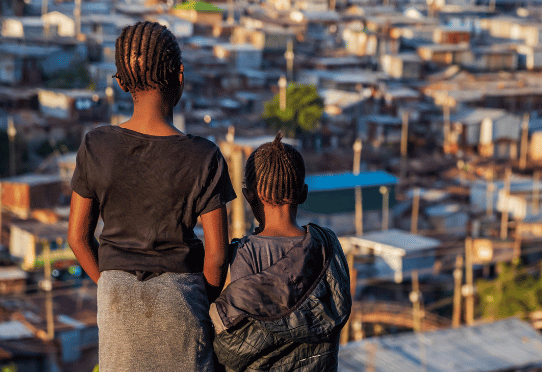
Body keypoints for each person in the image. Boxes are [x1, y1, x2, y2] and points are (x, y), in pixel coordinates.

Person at [66, 21, 234, 372]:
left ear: (122, 82)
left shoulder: (96, 145)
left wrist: (111, 281)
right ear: (180, 76)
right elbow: (217, 255)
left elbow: (77, 238)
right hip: (182, 300)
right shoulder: (204, 156)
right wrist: (201, 300)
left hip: (116, 302)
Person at [210, 133, 352, 372]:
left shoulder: (246, 252)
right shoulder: (327, 246)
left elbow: (242, 336)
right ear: (303, 193)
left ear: (248, 196)